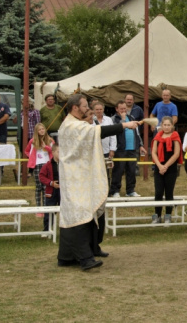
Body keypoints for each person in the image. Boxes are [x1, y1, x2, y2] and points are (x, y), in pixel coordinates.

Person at [56, 94, 140, 271]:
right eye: (85, 106)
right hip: (74, 178)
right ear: (75, 108)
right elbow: (98, 131)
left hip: (80, 176)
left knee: (85, 212)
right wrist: (125, 125)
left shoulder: (74, 123)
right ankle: (85, 259)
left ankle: (67, 256)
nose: (88, 109)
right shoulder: (72, 125)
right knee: (78, 215)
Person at [110, 100, 146, 197]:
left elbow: (137, 133)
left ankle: (130, 190)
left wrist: (140, 145)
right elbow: (117, 130)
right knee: (118, 170)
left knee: (131, 170)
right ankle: (115, 190)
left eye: (125, 108)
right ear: (116, 109)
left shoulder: (131, 117)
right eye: (121, 109)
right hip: (120, 149)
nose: (123, 110)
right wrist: (122, 119)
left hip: (132, 148)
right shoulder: (113, 119)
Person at [151, 116, 181, 224]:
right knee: (158, 192)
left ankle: (168, 215)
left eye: (169, 125)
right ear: (161, 125)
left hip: (171, 168)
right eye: (165, 125)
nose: (167, 127)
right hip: (159, 168)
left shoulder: (175, 136)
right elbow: (153, 152)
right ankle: (157, 215)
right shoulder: (157, 136)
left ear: (172, 126)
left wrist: (166, 166)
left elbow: (176, 153)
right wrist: (159, 166)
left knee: (169, 192)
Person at [25, 123, 54, 211]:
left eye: (43, 129)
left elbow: (54, 151)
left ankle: (45, 206)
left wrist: (46, 147)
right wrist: (32, 158)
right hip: (37, 165)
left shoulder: (50, 140)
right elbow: (27, 151)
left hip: (47, 164)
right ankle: (38, 207)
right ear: (36, 131)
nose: (42, 131)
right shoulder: (33, 141)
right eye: (39, 129)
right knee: (38, 187)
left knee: (46, 186)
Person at [39, 144, 61, 233]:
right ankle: (46, 229)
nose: (61, 154)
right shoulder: (48, 165)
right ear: (53, 152)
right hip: (51, 191)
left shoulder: (66, 164)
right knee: (49, 211)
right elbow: (41, 176)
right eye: (59, 152)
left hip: (63, 191)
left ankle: (66, 230)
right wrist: (51, 183)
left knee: (65, 211)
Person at [91, 101, 116, 173]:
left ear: (103, 110)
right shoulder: (90, 120)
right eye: (97, 109)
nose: (99, 111)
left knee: (106, 172)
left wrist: (112, 149)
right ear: (93, 110)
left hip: (106, 150)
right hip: (94, 150)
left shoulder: (108, 119)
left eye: (100, 109)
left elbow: (113, 135)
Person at [124, 94, 144, 175]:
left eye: (131, 99)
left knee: (134, 151)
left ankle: (135, 170)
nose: (129, 101)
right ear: (125, 100)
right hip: (123, 135)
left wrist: (138, 127)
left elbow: (143, 120)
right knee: (123, 153)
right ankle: (124, 170)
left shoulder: (138, 109)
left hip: (135, 134)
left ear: (133, 100)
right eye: (128, 99)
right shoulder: (122, 108)